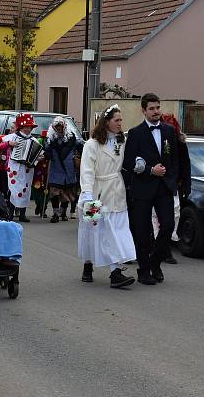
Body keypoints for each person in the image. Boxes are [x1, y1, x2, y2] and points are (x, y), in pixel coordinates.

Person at [122, 93, 180, 286]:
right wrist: (150, 170)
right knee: (142, 231)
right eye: (152, 109)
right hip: (143, 187)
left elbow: (174, 159)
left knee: (169, 225)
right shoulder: (135, 133)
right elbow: (129, 162)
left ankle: (155, 262)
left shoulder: (169, 131)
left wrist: (171, 178)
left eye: (157, 108)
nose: (156, 112)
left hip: (164, 187)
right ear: (144, 111)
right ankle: (144, 270)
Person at [78, 104, 136, 288]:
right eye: (116, 120)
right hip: (96, 192)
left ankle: (115, 271)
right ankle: (88, 264)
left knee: (116, 231)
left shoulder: (122, 142)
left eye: (121, 120)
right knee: (92, 230)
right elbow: (86, 171)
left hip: (117, 192)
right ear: (106, 122)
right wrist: (87, 194)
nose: (120, 123)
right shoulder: (92, 144)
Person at [151, 113, 191, 264]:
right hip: (155, 183)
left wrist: (186, 184)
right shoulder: (156, 140)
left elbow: (185, 165)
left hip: (172, 185)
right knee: (155, 217)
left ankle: (164, 249)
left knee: (171, 217)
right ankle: (158, 249)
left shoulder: (180, 143)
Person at [0, 113, 40, 222]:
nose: (28, 129)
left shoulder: (34, 140)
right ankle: (11, 214)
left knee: (26, 190)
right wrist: (9, 143)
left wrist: (38, 158)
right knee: (14, 190)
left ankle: (23, 214)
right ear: (20, 127)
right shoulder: (13, 137)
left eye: (29, 127)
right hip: (14, 167)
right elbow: (0, 145)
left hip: (27, 169)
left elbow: (38, 155)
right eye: (25, 127)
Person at [44, 116, 83, 223]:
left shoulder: (72, 138)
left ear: (65, 126)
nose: (59, 128)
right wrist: (47, 151)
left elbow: (81, 148)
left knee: (67, 193)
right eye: (57, 127)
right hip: (56, 168)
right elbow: (46, 152)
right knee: (54, 192)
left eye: (61, 126)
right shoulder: (50, 139)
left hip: (68, 168)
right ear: (54, 127)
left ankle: (63, 212)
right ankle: (56, 213)